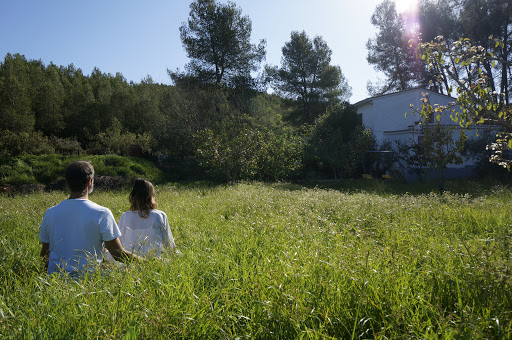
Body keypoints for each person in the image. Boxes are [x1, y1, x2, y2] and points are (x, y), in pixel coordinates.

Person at [39, 161, 141, 277]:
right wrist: (150, 263)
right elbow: (118, 254)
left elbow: (45, 255)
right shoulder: (101, 213)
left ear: (67, 182)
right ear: (89, 181)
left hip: (55, 281)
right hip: (88, 281)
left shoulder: (50, 213)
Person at [115, 178, 176, 258]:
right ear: (152, 196)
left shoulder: (125, 216)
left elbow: (119, 245)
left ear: (133, 196)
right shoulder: (159, 215)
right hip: (153, 262)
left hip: (130, 262)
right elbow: (169, 244)